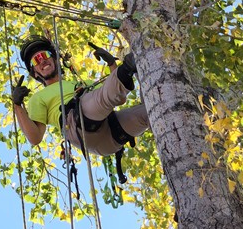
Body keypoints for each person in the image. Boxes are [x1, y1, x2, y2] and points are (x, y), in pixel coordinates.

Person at [12, 35, 149, 160]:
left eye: (45, 55)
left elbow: (118, 97)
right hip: (77, 125)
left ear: (55, 60)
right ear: (35, 73)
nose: (42, 61)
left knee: (148, 113)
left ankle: (135, 75)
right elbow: (35, 138)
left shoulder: (83, 84)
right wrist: (17, 105)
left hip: (110, 135)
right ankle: (128, 67)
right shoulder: (38, 98)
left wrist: (112, 64)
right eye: (36, 60)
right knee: (94, 99)